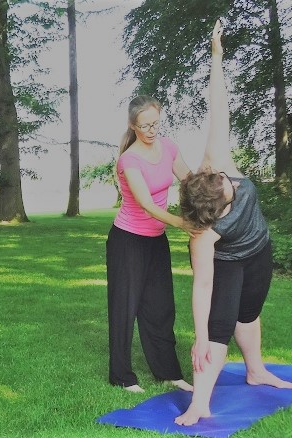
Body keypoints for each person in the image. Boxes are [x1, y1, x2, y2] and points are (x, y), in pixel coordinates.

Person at [174, 21, 292, 426]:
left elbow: (218, 110)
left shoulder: (216, 168)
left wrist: (216, 57)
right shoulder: (204, 237)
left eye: (225, 180)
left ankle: (256, 369)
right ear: (215, 210)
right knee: (219, 327)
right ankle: (201, 402)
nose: (230, 181)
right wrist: (198, 335)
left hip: (259, 250)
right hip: (229, 264)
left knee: (250, 313)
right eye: (227, 187)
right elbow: (202, 286)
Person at [106, 90, 199, 393]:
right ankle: (121, 376)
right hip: (127, 241)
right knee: (125, 308)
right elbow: (146, 203)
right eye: (145, 126)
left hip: (155, 241)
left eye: (156, 124)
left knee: (160, 308)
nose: (151, 131)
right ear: (133, 125)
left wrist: (209, 195)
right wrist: (182, 224)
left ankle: (168, 372)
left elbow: (188, 178)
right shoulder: (128, 160)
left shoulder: (169, 147)